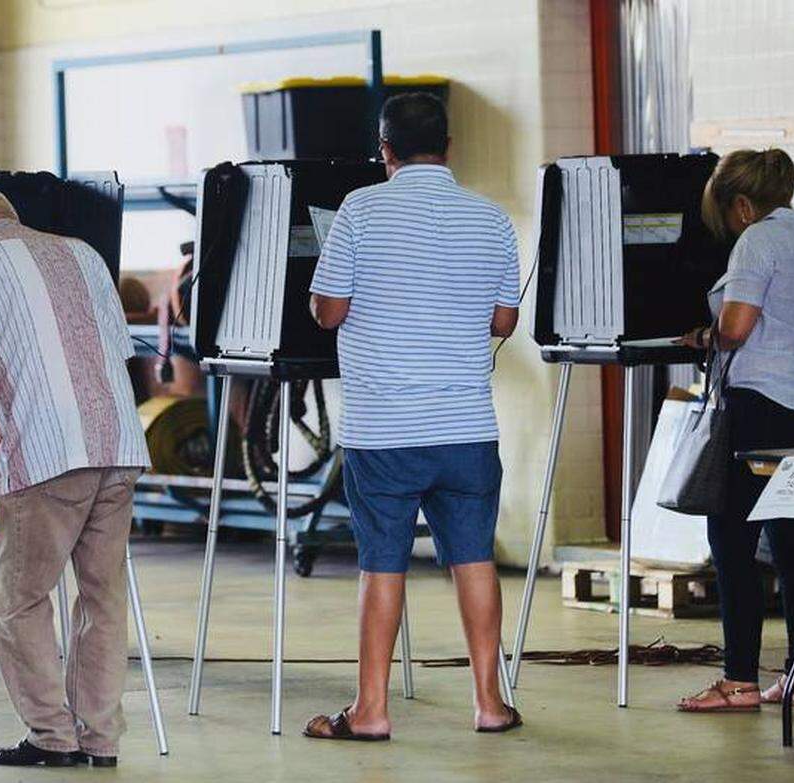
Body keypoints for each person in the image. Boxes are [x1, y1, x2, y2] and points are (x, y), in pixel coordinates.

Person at [303, 92, 522, 741]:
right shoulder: (491, 217)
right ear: (448, 148)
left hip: (385, 430)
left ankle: (371, 709)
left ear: (385, 149)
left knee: (383, 562)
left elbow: (329, 311)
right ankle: (489, 701)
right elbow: (504, 321)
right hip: (467, 427)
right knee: (474, 558)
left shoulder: (359, 209)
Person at [0, 186, 151, 767]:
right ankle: (101, 740)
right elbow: (120, 347)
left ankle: (52, 737)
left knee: (22, 600)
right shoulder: (83, 252)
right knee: (102, 599)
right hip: (120, 442)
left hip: (48, 452)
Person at [676, 149, 794, 713]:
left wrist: (702, 336)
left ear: (743, 205)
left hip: (763, 406)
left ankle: (739, 679)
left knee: (731, 541)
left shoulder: (757, 240)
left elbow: (736, 328)